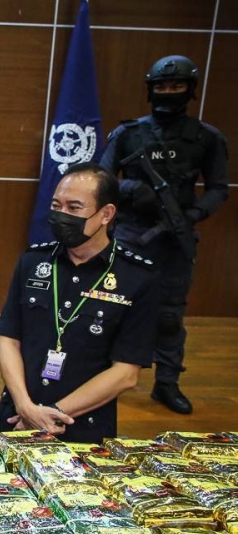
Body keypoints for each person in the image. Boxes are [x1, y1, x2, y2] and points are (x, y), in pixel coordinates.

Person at [0, 163, 159, 445]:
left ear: (106, 214)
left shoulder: (137, 277)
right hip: (17, 416)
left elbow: (126, 373)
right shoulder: (33, 262)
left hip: (81, 425)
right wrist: (25, 406)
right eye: (57, 205)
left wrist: (53, 415)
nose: (61, 215)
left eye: (74, 207)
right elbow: (9, 338)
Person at [99, 54, 229, 415]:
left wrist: (193, 214)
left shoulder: (206, 138)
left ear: (190, 90)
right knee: (110, 307)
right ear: (150, 89)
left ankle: (166, 383)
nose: (168, 92)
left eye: (176, 86)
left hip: (176, 237)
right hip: (130, 234)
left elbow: (219, 187)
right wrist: (130, 191)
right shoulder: (129, 134)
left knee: (170, 315)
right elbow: (103, 179)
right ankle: (100, 376)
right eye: (161, 86)